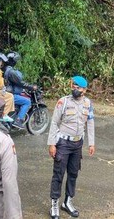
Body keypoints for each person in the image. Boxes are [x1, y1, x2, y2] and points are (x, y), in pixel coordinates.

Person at [47, 75, 95, 219]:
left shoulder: (88, 103)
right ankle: (54, 204)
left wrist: (91, 143)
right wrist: (51, 143)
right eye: (73, 86)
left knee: (73, 174)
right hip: (63, 143)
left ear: (84, 90)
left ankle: (67, 202)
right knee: (58, 174)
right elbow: (54, 122)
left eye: (78, 87)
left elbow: (90, 123)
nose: (75, 88)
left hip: (77, 144)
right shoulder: (63, 101)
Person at [4, 52, 37, 129]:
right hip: (11, 94)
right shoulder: (11, 72)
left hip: (6, 91)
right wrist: (32, 87)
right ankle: (18, 121)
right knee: (27, 102)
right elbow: (21, 83)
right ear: (13, 61)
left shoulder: (5, 69)